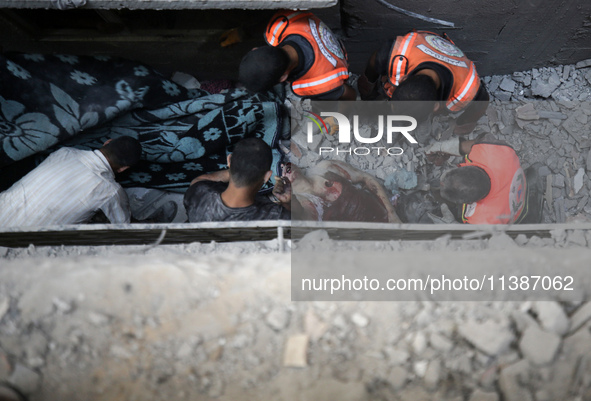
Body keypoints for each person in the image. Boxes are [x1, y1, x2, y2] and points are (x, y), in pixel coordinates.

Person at [358, 31, 489, 135]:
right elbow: (373, 64)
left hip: (448, 59)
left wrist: (462, 125)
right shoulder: (394, 53)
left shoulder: (468, 88)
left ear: (436, 106)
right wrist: (368, 92)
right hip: (422, 45)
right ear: (403, 79)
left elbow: (482, 103)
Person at [0, 136, 142, 228]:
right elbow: (124, 227)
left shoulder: (65, 152)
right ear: (123, 168)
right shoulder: (110, 191)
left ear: (107, 142)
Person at [238, 10, 356, 100]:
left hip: (337, 62)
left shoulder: (318, 82)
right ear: (255, 49)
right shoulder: (283, 24)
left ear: (283, 77)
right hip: (327, 45)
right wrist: (242, 33)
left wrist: (341, 116)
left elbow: (350, 94)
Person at [426, 133, 542, 224]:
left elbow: (476, 238)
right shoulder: (490, 149)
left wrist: (452, 224)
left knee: (459, 217)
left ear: (470, 203)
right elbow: (478, 141)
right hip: (514, 181)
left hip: (516, 213)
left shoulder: (483, 220)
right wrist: (446, 147)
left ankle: (529, 215)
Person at [183, 137, 291, 222]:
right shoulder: (276, 216)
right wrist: (286, 203)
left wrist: (239, 168)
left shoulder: (199, 193)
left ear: (229, 160)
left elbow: (198, 180)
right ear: (267, 176)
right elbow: (304, 225)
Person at [284, 160, 401, 223]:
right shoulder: (300, 202)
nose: (286, 168)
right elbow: (300, 216)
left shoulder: (325, 168)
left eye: (285, 164)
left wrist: (391, 214)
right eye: (281, 170)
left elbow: (365, 177)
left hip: (383, 217)